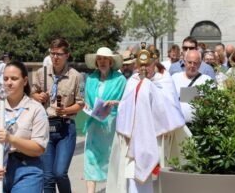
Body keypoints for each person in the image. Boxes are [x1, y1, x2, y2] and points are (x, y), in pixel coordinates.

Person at [106, 47, 191, 193]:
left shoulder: (164, 80)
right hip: (134, 142)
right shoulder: (132, 81)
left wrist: (148, 87)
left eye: (148, 64)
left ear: (154, 63)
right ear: (136, 66)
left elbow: (169, 108)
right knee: (134, 182)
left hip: (158, 139)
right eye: (140, 65)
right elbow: (125, 108)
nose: (144, 68)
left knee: (158, 184)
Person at [0, 61, 49, 193]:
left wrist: (11, 139)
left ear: (24, 81)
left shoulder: (36, 109)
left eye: (14, 78)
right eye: (5, 79)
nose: (9, 82)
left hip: (26, 169)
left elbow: (38, 148)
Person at [31, 38, 84, 193]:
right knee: (47, 177)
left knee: (60, 173)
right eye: (52, 53)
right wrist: (38, 97)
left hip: (65, 128)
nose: (55, 57)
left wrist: (66, 111)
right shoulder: (42, 73)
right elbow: (31, 92)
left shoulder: (76, 76)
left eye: (59, 54)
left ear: (67, 55)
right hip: (45, 127)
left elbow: (81, 103)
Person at [84, 47, 127, 193]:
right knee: (90, 158)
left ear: (111, 61)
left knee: (111, 159)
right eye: (99, 59)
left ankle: (112, 189)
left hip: (112, 125)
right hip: (94, 125)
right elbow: (87, 101)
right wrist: (87, 106)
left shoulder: (120, 79)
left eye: (105, 59)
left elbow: (127, 103)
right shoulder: (90, 79)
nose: (102, 62)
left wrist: (115, 102)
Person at [172, 50, 212, 124]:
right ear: (185, 62)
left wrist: (197, 98)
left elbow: (211, 103)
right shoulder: (175, 78)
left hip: (199, 127)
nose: (192, 65)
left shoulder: (207, 80)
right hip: (178, 126)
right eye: (190, 62)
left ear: (200, 64)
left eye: (195, 63)